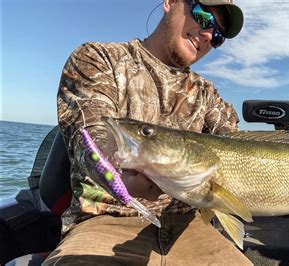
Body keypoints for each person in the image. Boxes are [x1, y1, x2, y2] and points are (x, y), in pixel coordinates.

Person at [43, 0, 253, 264]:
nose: (209, 35)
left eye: (218, 35)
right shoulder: (98, 58)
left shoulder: (207, 95)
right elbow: (91, 137)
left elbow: (239, 154)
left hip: (191, 229)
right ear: (171, 3)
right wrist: (118, 174)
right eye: (203, 16)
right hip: (105, 224)